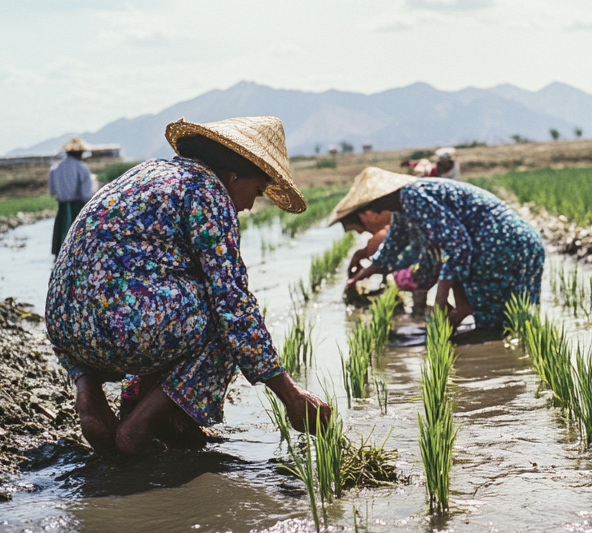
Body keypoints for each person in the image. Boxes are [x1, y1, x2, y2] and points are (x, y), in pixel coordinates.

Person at [46, 116, 327, 456]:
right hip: (121, 329)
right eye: (255, 191)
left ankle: (89, 399)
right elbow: (233, 304)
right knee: (225, 320)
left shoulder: (148, 172)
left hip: (65, 324)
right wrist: (291, 395)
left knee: (176, 296)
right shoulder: (208, 190)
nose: (250, 205)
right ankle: (138, 429)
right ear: (233, 175)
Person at [331, 167, 544, 328]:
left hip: (499, 245)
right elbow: (390, 249)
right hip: (522, 241)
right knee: (518, 321)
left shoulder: (414, 197)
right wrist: (358, 277)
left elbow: (458, 245)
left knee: (496, 327)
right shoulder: (404, 207)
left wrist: (441, 296)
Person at [48, 137, 96, 257]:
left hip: (62, 207)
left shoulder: (55, 168)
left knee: (63, 234)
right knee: (76, 239)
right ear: (78, 153)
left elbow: (52, 190)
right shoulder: (81, 168)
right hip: (76, 207)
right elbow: (86, 193)